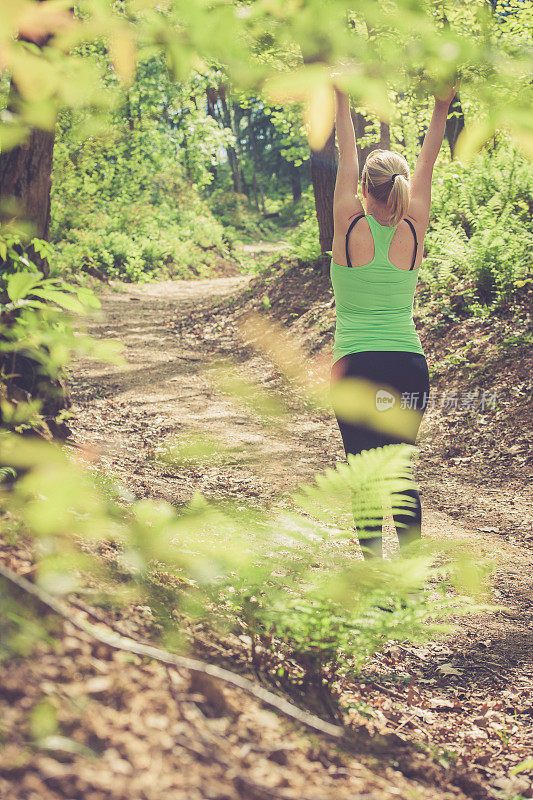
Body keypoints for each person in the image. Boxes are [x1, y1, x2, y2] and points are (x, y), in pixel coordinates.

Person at [329, 84, 456, 559]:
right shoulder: (414, 224)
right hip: (408, 366)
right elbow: (428, 163)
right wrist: (441, 105)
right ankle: (409, 580)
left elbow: (346, 154)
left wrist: (341, 99)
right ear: (401, 188)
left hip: (356, 367)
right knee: (399, 474)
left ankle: (373, 575)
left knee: (365, 475)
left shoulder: (348, 222)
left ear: (363, 187)